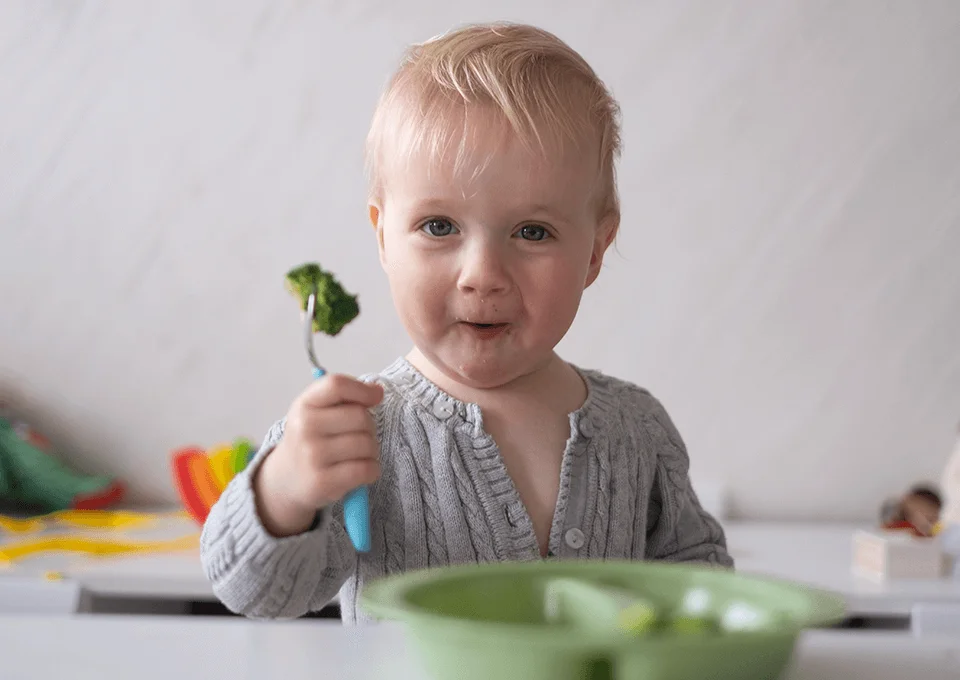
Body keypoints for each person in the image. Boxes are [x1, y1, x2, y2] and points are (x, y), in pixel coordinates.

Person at [199, 21, 733, 624]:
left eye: (533, 232)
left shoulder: (639, 430)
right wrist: (285, 491)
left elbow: (702, 591)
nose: (482, 274)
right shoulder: (357, 431)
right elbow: (254, 593)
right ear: (382, 236)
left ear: (593, 252)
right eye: (439, 226)